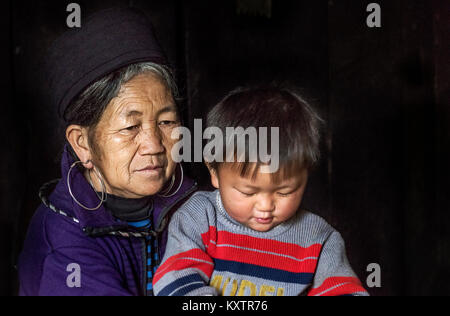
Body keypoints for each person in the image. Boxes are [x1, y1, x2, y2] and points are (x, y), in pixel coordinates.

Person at [18, 7, 197, 296]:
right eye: (130, 128)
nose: (154, 145)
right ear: (82, 143)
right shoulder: (63, 245)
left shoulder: (198, 209)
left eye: (166, 121)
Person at [153, 86, 369, 296]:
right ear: (214, 171)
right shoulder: (199, 217)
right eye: (248, 192)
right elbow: (176, 282)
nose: (266, 206)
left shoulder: (319, 239)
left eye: (285, 191)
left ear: (305, 176)